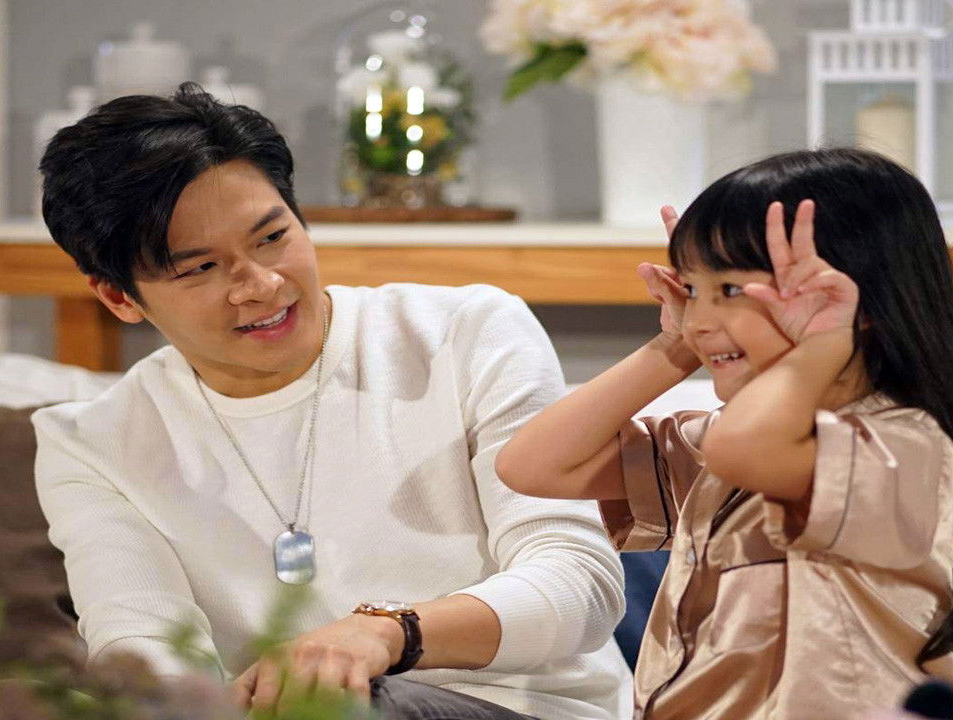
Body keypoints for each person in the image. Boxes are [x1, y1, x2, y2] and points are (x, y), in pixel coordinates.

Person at [32, 83, 631, 720]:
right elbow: (141, 644)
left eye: (272, 237)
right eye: (200, 268)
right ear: (119, 297)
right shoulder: (93, 442)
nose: (261, 285)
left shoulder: (466, 332)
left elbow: (581, 585)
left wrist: (387, 634)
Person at [496, 148, 953, 720]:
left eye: (733, 291)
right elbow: (531, 465)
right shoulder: (728, 444)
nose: (700, 319)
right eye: (692, 288)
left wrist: (821, 342)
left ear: (856, 301)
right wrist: (674, 346)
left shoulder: (903, 446)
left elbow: (743, 450)